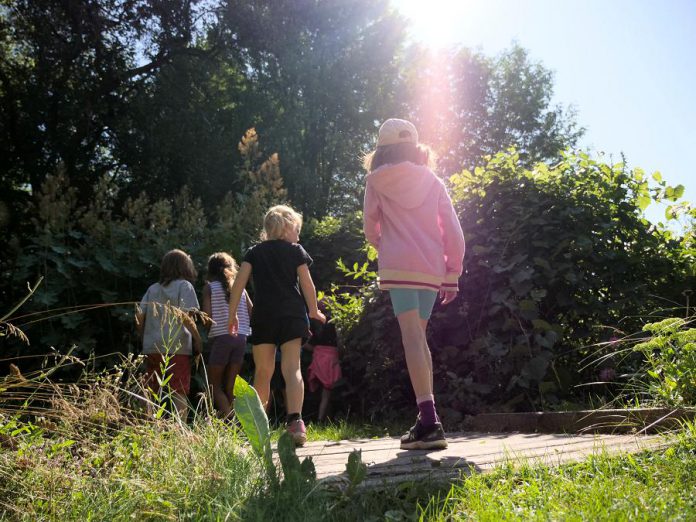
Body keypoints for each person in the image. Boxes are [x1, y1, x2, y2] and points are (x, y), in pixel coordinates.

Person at [363, 118, 465, 450]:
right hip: (432, 269)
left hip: (400, 267)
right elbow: (453, 229)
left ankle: (430, 421)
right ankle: (427, 421)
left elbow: (370, 228)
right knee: (419, 339)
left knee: (412, 339)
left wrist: (385, 245)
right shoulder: (433, 181)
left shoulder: (375, 181)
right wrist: (453, 272)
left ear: (382, 149)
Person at [228, 204, 326, 446]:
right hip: (292, 314)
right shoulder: (295, 251)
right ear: (287, 228)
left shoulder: (254, 252)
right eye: (297, 230)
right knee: (292, 368)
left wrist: (232, 315)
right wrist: (314, 311)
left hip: (264, 316)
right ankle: (296, 423)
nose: (299, 236)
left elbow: (238, 284)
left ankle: (257, 428)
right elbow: (308, 284)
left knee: (263, 371)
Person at [135, 249, 202, 420]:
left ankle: (147, 427)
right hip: (176, 346)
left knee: (151, 389)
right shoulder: (185, 286)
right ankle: (180, 433)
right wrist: (197, 338)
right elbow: (186, 316)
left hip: (152, 346)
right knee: (179, 389)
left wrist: (143, 336)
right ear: (185, 267)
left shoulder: (153, 289)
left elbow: (139, 315)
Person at [202, 252, 253, 419]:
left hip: (221, 338)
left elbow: (207, 316)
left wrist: (205, 330)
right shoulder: (240, 289)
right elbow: (252, 312)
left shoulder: (209, 288)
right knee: (231, 386)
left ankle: (229, 418)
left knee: (214, 385)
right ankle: (240, 421)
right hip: (241, 338)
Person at [304, 302, 341, 422]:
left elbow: (307, 345)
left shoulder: (315, 326)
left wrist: (317, 349)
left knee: (323, 392)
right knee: (327, 392)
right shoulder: (333, 324)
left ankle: (324, 419)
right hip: (331, 359)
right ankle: (321, 420)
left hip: (318, 360)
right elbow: (339, 342)